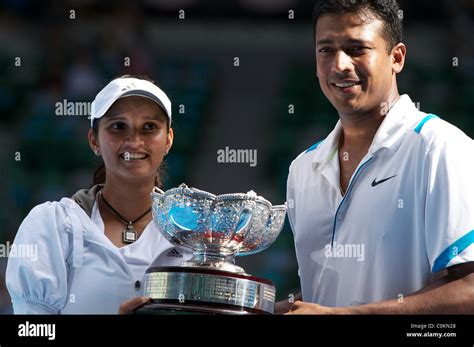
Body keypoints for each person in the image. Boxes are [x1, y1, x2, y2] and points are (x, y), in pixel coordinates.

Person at [284, 0, 474, 314]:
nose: (340, 64)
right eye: (326, 49)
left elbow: (470, 290)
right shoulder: (303, 168)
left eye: (357, 49)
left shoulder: (441, 148)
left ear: (396, 57)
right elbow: (336, 290)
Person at [6, 75, 192, 314]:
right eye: (118, 126)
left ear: (168, 140)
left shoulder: (194, 235)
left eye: (149, 127)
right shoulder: (51, 226)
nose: (134, 141)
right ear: (94, 140)